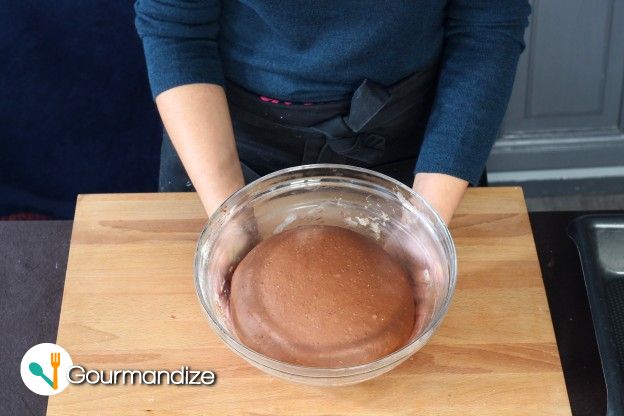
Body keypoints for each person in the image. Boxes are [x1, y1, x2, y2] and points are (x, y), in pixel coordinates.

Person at [134, 1, 530, 224]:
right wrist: (230, 221)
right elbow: (176, 29)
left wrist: (424, 228)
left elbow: (487, 28)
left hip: (418, 142)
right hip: (227, 143)